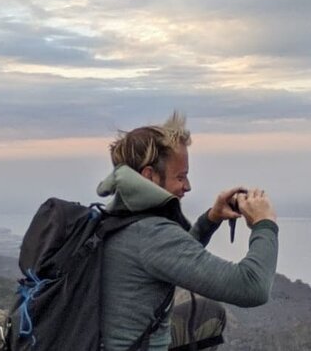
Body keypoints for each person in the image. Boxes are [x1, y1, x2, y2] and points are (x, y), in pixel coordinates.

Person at [97, 112, 279, 351]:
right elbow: (252, 288)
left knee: (210, 314)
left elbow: (167, 258)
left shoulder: (117, 219)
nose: (188, 186)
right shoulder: (151, 234)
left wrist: (209, 220)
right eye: (180, 177)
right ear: (149, 176)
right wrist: (264, 224)